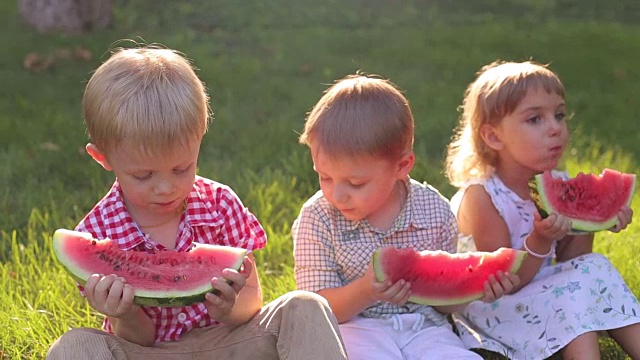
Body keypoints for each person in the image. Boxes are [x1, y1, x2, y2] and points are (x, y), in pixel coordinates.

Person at [47, 46, 347, 360]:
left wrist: (231, 307)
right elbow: (138, 340)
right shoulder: (98, 229)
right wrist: (124, 314)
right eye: (143, 175)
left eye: (181, 168)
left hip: (231, 345)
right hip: (151, 353)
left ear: (200, 139)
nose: (165, 188)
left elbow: (251, 302)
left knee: (305, 307)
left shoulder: (220, 205)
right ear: (102, 157)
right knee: (74, 346)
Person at [292, 74, 520, 360]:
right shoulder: (317, 218)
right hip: (354, 328)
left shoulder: (434, 210)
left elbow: (444, 301)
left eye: (356, 183)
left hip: (425, 327)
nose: (338, 195)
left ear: (402, 165)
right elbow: (317, 307)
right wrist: (365, 290)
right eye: (324, 177)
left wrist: (475, 288)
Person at [445, 60, 640, 360]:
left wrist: (591, 223)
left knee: (595, 266)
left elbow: (573, 263)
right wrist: (540, 240)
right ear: (493, 136)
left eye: (559, 115)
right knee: (573, 291)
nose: (555, 129)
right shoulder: (482, 196)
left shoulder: (558, 183)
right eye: (535, 119)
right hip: (496, 307)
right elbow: (506, 282)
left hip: (549, 292)